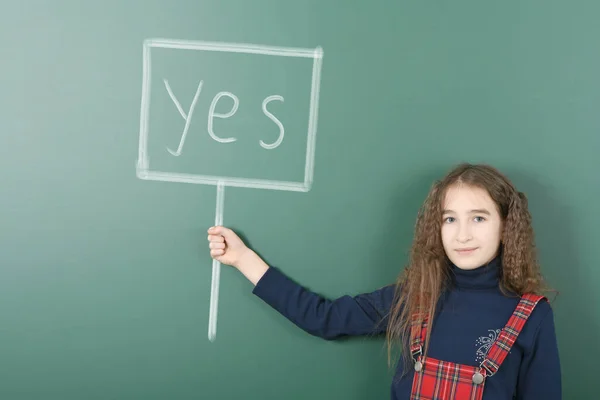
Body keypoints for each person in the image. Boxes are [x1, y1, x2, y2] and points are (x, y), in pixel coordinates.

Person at [206, 163, 562, 400]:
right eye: (449, 219)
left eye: (479, 218)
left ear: (505, 227)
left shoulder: (531, 315)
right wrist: (242, 259)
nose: (462, 234)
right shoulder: (414, 297)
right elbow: (324, 318)